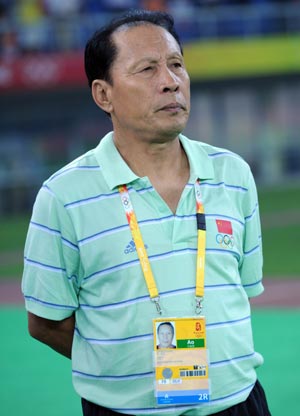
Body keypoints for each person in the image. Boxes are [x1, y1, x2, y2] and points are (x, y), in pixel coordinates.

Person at [22, 8, 272, 416]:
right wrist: (121, 367)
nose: (171, 82)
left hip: (239, 403)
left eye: (176, 65)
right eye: (148, 69)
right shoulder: (64, 195)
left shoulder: (233, 175)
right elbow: (45, 323)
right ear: (104, 95)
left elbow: (240, 292)